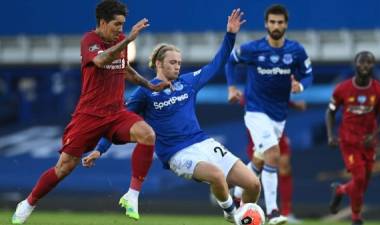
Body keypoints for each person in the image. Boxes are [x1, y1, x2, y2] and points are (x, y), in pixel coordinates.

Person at [82, 9, 261, 223]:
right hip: (177, 153)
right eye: (172, 63)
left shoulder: (187, 82)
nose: (177, 67)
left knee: (253, 184)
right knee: (216, 176)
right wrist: (99, 150)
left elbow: (216, 64)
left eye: (179, 63)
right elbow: (118, 123)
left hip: (202, 141)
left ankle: (244, 214)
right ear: (158, 64)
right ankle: (232, 215)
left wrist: (230, 35)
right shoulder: (145, 92)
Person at [11, 1, 170, 224]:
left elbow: (124, 68)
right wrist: (129, 39)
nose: (120, 29)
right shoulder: (90, 40)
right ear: (103, 22)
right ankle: (28, 203)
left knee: (148, 135)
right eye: (116, 24)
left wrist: (150, 86)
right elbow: (102, 59)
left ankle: (132, 195)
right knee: (65, 167)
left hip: (116, 113)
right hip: (89, 115)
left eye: (123, 25)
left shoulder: (120, 40)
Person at [225, 4, 313, 225]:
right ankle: (273, 212)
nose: (276, 26)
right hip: (255, 111)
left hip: (278, 115)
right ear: (266, 24)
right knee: (274, 155)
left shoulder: (296, 51)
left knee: (259, 159)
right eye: (272, 22)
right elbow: (231, 61)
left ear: (286, 24)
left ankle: (235, 196)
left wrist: (300, 87)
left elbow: (308, 75)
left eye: (280, 22)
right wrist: (231, 87)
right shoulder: (253, 49)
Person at [326, 51, 380, 225]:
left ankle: (340, 190)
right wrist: (331, 135)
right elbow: (330, 112)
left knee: (362, 184)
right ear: (355, 64)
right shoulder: (342, 88)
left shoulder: (379, 90)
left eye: (369, 63)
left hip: (369, 143)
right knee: (360, 178)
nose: (365, 66)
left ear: (373, 66)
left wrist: (374, 134)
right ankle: (356, 218)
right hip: (349, 141)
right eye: (361, 62)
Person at [234, 100, 306, 224]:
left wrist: (294, 100)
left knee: (284, 165)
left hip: (276, 123)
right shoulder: (256, 82)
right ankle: (238, 197)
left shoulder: (282, 82)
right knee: (259, 162)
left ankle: (283, 212)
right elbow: (251, 95)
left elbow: (278, 91)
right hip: (259, 122)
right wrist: (234, 89)